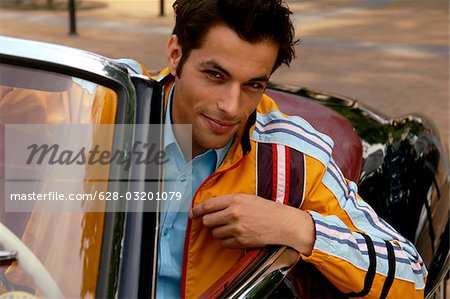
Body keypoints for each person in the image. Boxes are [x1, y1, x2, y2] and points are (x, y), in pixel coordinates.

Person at [121, 0, 427, 297]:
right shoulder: (104, 108)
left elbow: (411, 276)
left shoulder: (294, 158)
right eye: (215, 75)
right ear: (175, 54)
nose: (230, 107)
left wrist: (297, 228)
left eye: (253, 85)